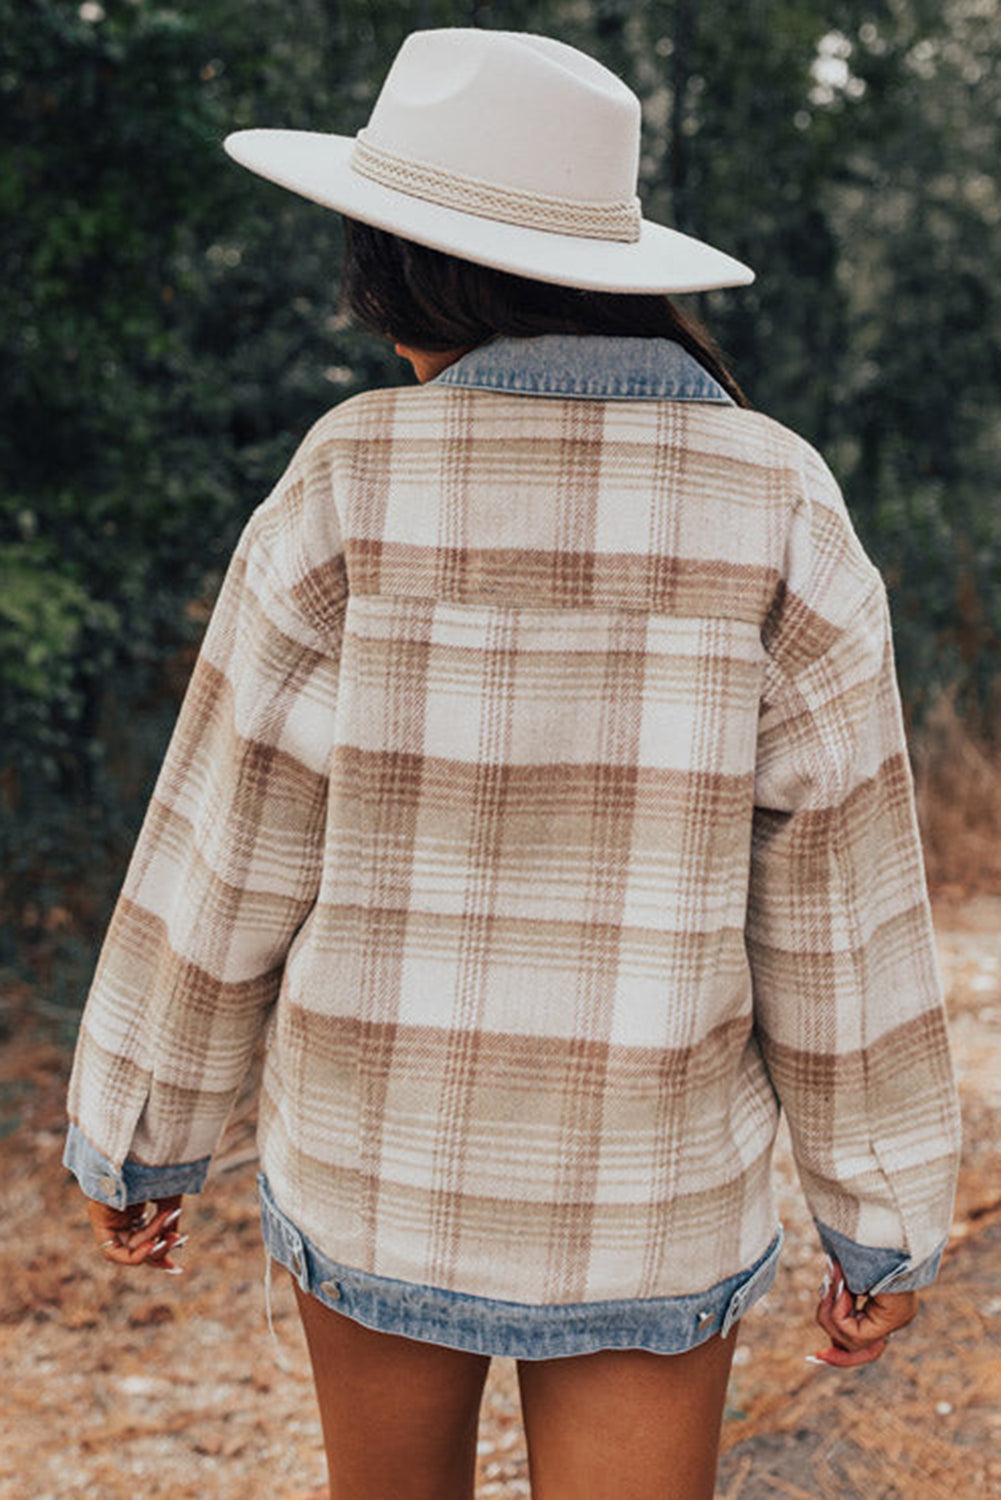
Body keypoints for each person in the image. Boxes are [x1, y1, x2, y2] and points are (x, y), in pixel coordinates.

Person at [64, 28, 962, 1500]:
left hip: (380, 1167)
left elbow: (228, 845)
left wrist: (143, 1135)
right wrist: (881, 1219)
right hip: (648, 1192)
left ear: (407, 265)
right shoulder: (775, 498)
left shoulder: (350, 476)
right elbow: (839, 915)